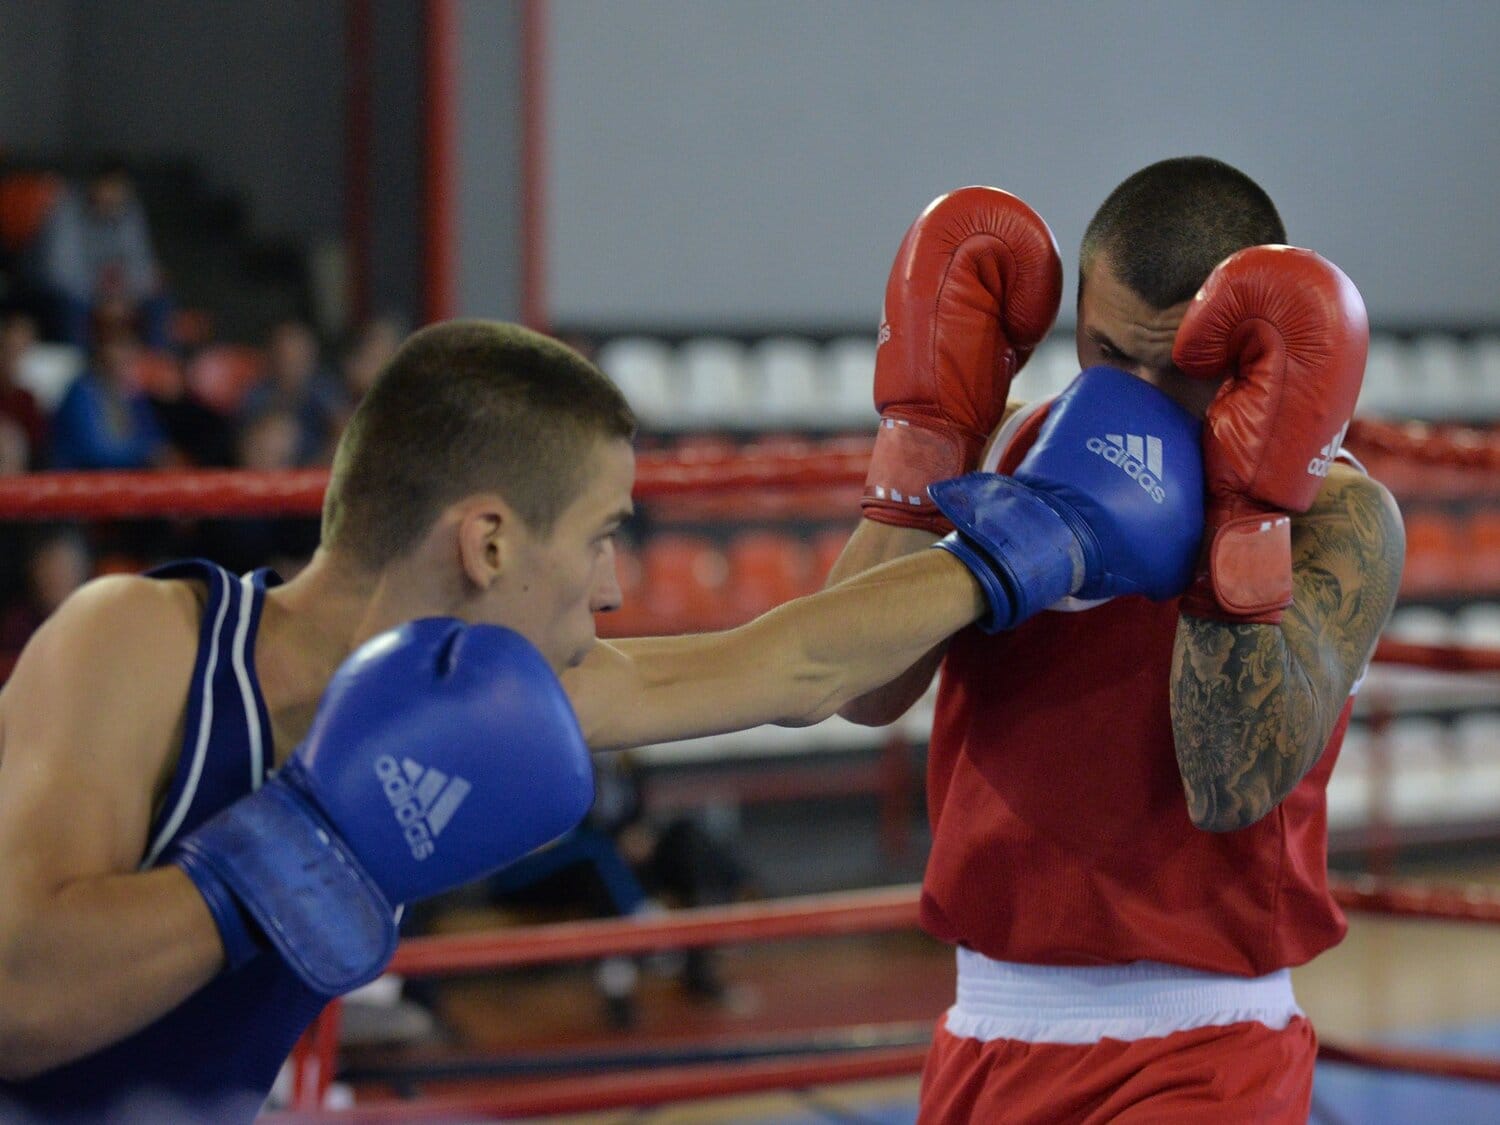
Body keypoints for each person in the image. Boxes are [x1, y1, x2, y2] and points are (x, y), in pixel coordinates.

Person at [0, 315, 1197, 1123]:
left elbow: (795, 667)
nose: (617, 588)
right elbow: (18, 1005)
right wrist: (309, 839)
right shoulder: (141, 645)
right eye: (603, 535)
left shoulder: (501, 700)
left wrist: (1036, 541)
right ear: (488, 541)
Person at [827, 160, 1406, 1122]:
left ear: (1257, 349)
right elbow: (862, 691)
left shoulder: (1336, 516)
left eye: (1179, 368)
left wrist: (1242, 509)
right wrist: (927, 440)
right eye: (1108, 353)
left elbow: (1230, 785)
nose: (1134, 398)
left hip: (1205, 1046)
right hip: (986, 1028)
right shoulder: (1008, 455)